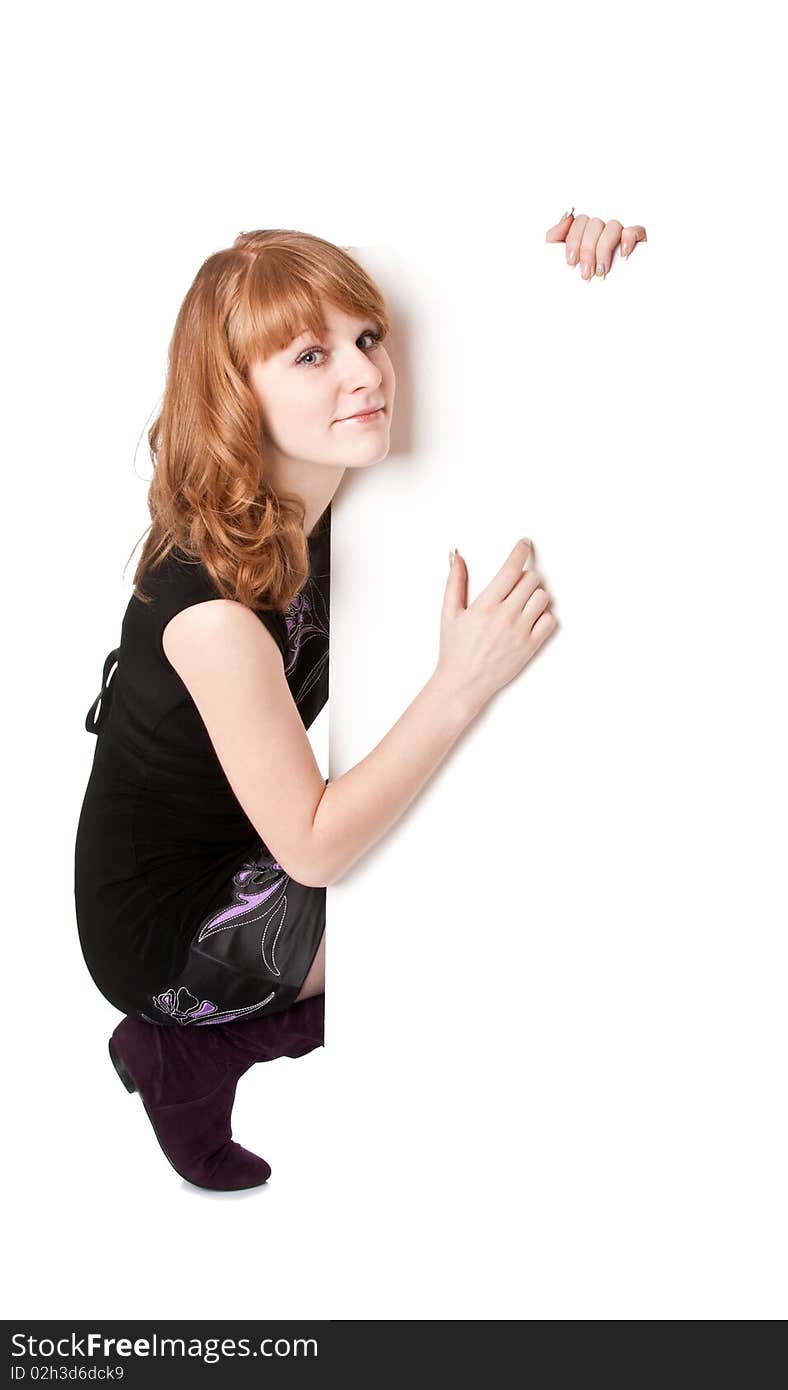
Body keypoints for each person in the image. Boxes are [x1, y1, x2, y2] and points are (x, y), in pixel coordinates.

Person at [74, 209, 645, 1193]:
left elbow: (448, 295)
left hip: (237, 846)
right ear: (236, 393)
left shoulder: (319, 498)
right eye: (309, 355)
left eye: (367, 339)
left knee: (448, 875)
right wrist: (463, 680)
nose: (367, 373)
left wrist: (578, 243)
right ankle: (187, 1047)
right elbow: (315, 845)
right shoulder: (208, 608)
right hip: (167, 924)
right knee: (442, 929)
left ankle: (190, 1050)